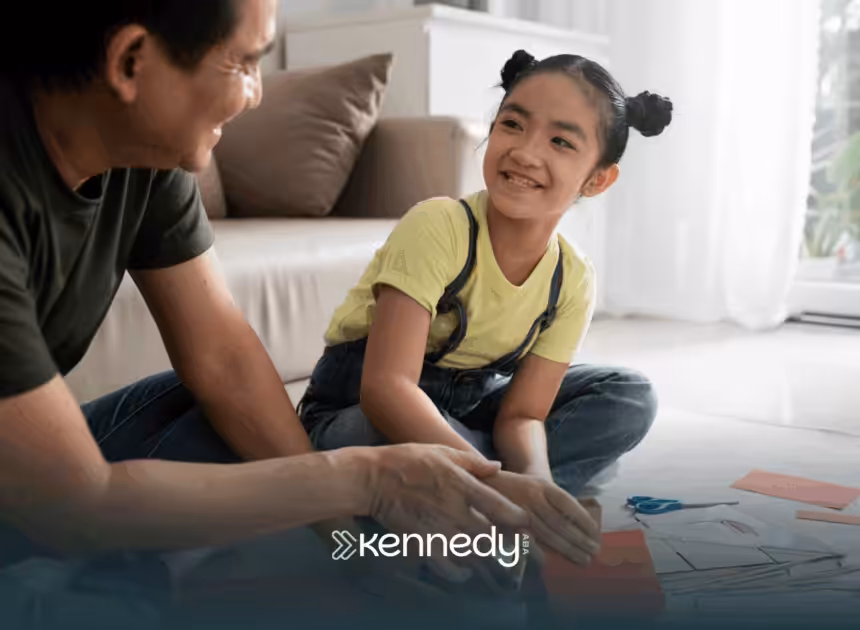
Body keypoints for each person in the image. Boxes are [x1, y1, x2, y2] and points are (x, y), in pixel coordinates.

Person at [0, 0, 534, 622]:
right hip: (55, 497)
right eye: (245, 62)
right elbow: (74, 503)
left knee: (219, 412)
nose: (256, 94)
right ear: (130, 61)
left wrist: (347, 544)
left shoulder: (144, 155)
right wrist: (365, 479)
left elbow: (222, 357)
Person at [298, 49, 672, 570]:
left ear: (597, 179)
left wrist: (534, 481)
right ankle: (463, 491)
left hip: (474, 409)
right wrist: (500, 484)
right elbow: (387, 390)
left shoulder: (573, 277)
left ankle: (468, 493)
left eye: (561, 141)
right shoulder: (439, 226)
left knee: (630, 396)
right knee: (369, 435)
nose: (524, 152)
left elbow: (522, 414)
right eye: (512, 125)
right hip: (362, 409)